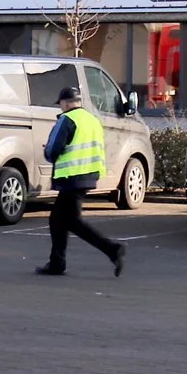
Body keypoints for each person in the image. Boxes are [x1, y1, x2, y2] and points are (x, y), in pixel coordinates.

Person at [35, 86, 126, 278]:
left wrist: (47, 151)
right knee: (58, 219)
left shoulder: (67, 119)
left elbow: (53, 150)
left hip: (72, 176)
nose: (60, 108)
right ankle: (57, 263)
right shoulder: (92, 120)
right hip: (89, 175)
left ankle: (113, 249)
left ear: (66, 103)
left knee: (72, 221)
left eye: (60, 104)